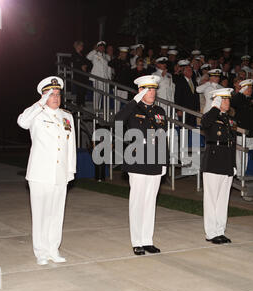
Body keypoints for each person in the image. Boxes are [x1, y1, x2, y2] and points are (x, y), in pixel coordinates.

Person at [17, 76, 76, 265]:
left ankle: (53, 249)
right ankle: (41, 251)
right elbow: (22, 122)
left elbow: (71, 146)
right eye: (51, 94)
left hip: (60, 173)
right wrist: (40, 104)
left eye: (58, 94)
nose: (56, 97)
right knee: (41, 213)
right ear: (43, 96)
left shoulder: (66, 116)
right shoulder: (35, 115)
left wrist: (71, 171)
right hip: (40, 174)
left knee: (56, 213)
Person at [114, 75, 167, 255]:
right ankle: (137, 241)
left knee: (150, 202)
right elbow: (117, 121)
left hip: (154, 160)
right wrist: (133, 102)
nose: (152, 92)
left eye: (153, 89)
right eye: (148, 89)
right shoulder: (132, 109)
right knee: (137, 202)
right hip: (136, 158)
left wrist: (163, 161)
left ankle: (147, 240)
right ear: (140, 91)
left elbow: (162, 137)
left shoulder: (160, 110)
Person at [200, 88, 236, 244]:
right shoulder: (211, 115)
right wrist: (214, 107)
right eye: (224, 99)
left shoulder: (227, 119)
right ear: (218, 101)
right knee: (211, 200)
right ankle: (211, 232)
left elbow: (230, 143)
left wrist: (233, 164)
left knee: (222, 200)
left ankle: (220, 230)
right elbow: (205, 123)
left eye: (228, 99)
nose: (227, 102)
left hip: (226, 161)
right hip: (213, 162)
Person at [231, 79, 253, 175]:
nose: (250, 90)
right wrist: (239, 93)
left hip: (250, 132)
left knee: (248, 154)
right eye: (247, 88)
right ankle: (239, 174)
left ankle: (245, 172)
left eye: (251, 87)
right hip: (241, 131)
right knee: (240, 154)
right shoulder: (238, 98)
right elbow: (232, 104)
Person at [174, 60, 200, 127]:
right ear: (183, 72)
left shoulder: (194, 82)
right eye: (188, 70)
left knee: (193, 128)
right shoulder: (180, 81)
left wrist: (198, 108)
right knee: (184, 129)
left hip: (193, 110)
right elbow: (177, 96)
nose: (190, 71)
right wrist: (178, 110)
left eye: (191, 70)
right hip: (184, 110)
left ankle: (194, 138)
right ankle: (183, 138)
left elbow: (197, 96)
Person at [86, 41, 111, 109]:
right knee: (97, 95)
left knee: (105, 96)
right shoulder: (94, 55)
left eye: (103, 47)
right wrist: (95, 50)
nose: (102, 48)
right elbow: (88, 57)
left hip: (105, 78)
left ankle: (101, 109)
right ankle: (96, 110)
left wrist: (109, 78)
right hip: (97, 78)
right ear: (98, 47)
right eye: (100, 47)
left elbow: (108, 68)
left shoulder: (107, 56)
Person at [71, 41, 92, 107]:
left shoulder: (82, 55)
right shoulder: (74, 54)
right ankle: (79, 104)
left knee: (83, 89)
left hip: (84, 75)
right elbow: (75, 63)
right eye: (81, 45)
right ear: (77, 46)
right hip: (78, 75)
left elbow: (89, 63)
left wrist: (86, 66)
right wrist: (81, 66)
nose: (82, 47)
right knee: (80, 90)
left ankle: (82, 103)